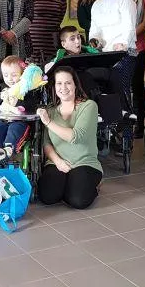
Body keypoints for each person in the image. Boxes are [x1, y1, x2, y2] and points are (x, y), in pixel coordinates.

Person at [36, 67, 101, 209]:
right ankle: (70, 184)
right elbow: (46, 143)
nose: (63, 87)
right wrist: (58, 162)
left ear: (75, 85)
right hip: (57, 162)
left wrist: (48, 122)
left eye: (68, 83)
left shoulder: (89, 106)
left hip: (84, 162)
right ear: (54, 87)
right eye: (59, 83)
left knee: (78, 201)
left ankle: (90, 187)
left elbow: (75, 137)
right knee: (47, 197)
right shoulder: (50, 110)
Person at [87, 0, 136, 110]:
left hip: (125, 53)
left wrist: (123, 44)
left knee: (121, 91)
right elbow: (95, 30)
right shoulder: (96, 5)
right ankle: (109, 123)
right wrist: (94, 41)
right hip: (104, 54)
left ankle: (126, 123)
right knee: (104, 92)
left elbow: (129, 26)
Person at [115, 0, 145, 136]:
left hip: (138, 46)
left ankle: (139, 123)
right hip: (118, 47)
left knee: (137, 85)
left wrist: (129, 37)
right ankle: (121, 121)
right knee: (119, 85)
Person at [0, 56, 42, 166]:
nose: (10, 79)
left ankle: (7, 150)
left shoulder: (27, 89)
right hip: (2, 120)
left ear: (22, 74)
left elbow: (32, 106)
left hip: (19, 122)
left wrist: (18, 99)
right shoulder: (1, 87)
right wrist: (0, 97)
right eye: (6, 75)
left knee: (14, 129)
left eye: (14, 75)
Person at [30, 0, 68, 64]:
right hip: (34, 40)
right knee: (34, 69)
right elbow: (28, 17)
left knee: (52, 67)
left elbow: (60, 18)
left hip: (52, 40)